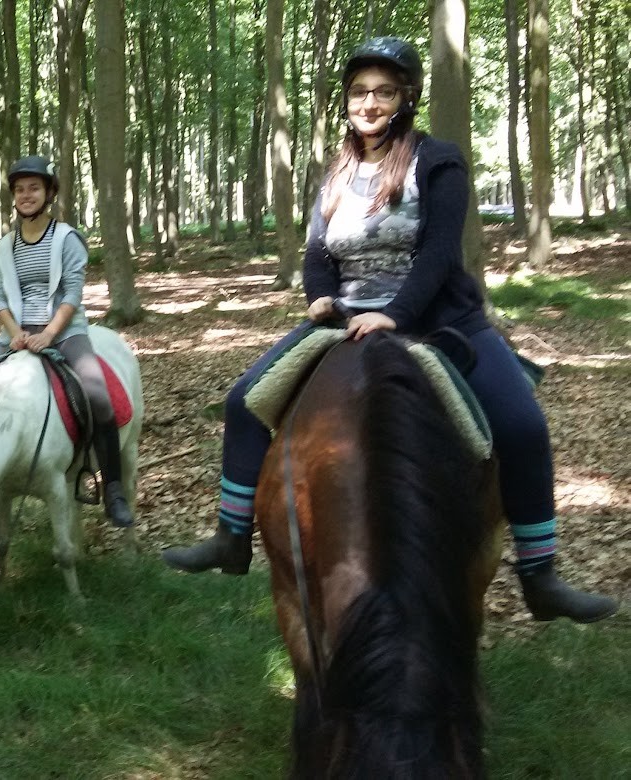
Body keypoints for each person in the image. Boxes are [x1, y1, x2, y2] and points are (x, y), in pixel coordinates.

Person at [160, 37, 617, 623]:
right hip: (347, 318)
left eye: (382, 91)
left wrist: (396, 314)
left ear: (405, 98)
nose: (368, 102)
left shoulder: (439, 160)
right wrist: (320, 298)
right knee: (244, 401)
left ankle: (539, 572)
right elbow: (319, 253)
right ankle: (230, 534)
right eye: (358, 92)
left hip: (438, 317)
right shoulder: (336, 173)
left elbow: (438, 253)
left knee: (523, 425)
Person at [0, 155, 134, 528]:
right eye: (20, 189)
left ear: (49, 193)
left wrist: (48, 335)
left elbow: (73, 293)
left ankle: (114, 490)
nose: (26, 195)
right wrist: (16, 335)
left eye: (34, 188)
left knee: (99, 398)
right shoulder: (6, 244)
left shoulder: (67, 238)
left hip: (65, 329)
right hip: (18, 333)